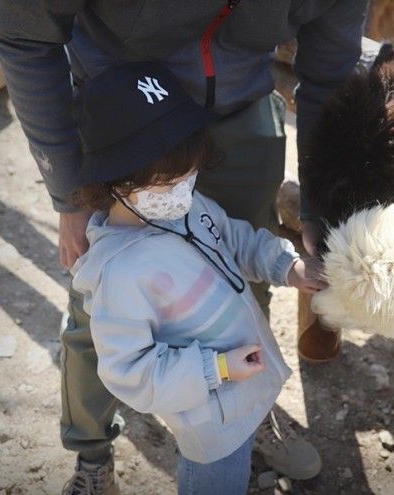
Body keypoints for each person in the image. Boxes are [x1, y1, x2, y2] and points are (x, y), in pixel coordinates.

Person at [0, 1, 367, 492]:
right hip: (122, 122)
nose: (187, 193)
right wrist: (69, 193)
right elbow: (25, 31)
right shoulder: (119, 267)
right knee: (97, 321)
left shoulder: (191, 202)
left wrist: (317, 208)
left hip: (239, 108)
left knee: (242, 287)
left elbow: (331, 70)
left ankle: (243, 417)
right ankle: (91, 451)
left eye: (189, 184)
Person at [68, 62, 325, 494]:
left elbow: (236, 240)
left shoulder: (182, 204)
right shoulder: (120, 275)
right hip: (211, 419)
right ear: (114, 180)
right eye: (169, 182)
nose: (185, 190)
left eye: (190, 175)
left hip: (245, 387)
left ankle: (259, 427)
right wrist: (217, 369)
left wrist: (288, 267)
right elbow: (130, 370)